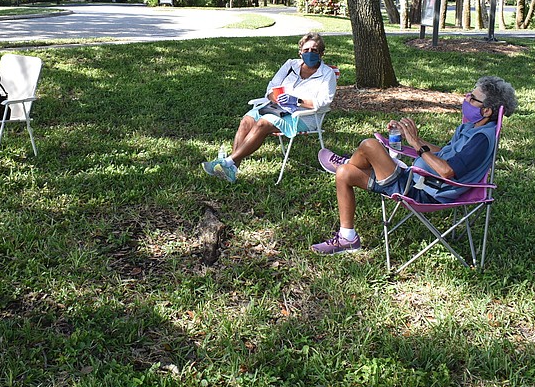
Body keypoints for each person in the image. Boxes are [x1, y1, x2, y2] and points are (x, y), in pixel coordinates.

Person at [312, 76, 517, 254]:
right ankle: (348, 238)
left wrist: (417, 145)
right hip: (417, 179)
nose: (466, 99)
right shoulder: (472, 127)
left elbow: (447, 171)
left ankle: (350, 160)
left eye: (472, 99)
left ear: (487, 110)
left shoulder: (481, 139)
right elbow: (443, 154)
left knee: (369, 145)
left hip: (424, 191)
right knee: (344, 173)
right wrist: (410, 136)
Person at [202, 32, 337, 183]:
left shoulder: (327, 74)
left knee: (263, 123)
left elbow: (324, 101)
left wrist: (297, 101)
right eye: (306, 50)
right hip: (276, 107)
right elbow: (272, 87)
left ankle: (227, 162)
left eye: (315, 50)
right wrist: (277, 99)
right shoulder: (290, 65)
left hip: (303, 115)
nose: (310, 53)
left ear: (322, 53)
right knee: (246, 120)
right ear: (300, 52)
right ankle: (233, 168)